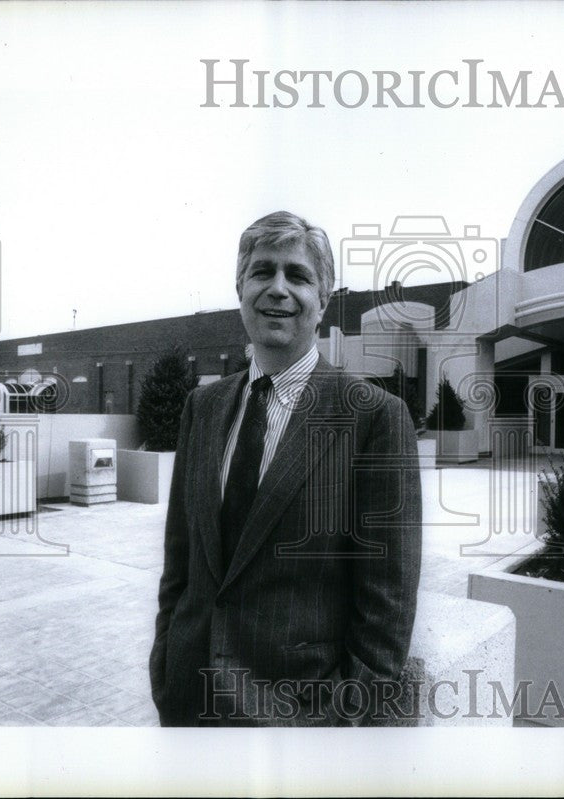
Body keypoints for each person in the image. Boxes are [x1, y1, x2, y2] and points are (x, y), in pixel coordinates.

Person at [149, 211, 422, 726]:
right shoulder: (200, 408)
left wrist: (341, 727)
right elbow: (179, 562)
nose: (278, 289)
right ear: (239, 288)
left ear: (324, 299)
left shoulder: (374, 418)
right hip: (186, 704)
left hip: (297, 723)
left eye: (297, 275)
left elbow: (387, 604)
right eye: (262, 272)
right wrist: (166, 666)